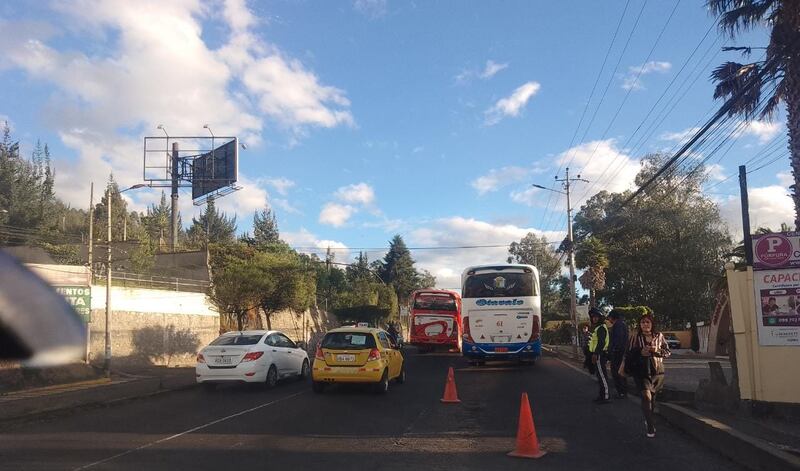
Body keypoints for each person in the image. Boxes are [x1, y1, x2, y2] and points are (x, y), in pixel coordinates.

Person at [622, 313, 670, 438]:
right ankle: (650, 425)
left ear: (652, 324)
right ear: (639, 324)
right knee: (646, 397)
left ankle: (649, 417)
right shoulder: (635, 337)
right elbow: (628, 353)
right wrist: (640, 352)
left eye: (647, 322)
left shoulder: (659, 336)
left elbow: (668, 352)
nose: (645, 324)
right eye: (642, 322)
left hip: (657, 371)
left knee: (652, 399)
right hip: (641, 371)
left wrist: (657, 351)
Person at [588, 307, 611, 404]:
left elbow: (601, 343)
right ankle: (602, 395)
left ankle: (605, 397)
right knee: (600, 375)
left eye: (597, 317)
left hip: (600, 355)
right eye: (593, 317)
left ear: (600, 318)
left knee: (602, 376)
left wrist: (596, 354)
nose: (594, 319)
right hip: (598, 354)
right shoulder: (598, 327)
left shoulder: (601, 328)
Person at [608, 310, 628, 398]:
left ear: (612, 317)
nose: (608, 319)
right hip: (620, 352)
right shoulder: (621, 324)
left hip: (618, 353)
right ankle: (622, 392)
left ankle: (622, 392)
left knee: (617, 372)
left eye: (609, 317)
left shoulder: (618, 325)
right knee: (620, 372)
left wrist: (614, 350)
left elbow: (618, 339)